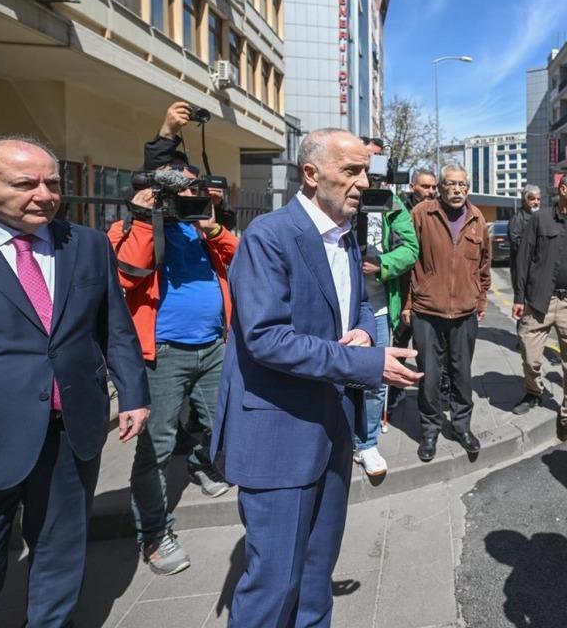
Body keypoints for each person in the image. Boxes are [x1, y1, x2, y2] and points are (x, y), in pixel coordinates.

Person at [0, 136, 150, 627]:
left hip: (71, 429)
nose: (45, 195)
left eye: (53, 182)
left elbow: (113, 325)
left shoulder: (86, 244)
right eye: (26, 183)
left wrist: (133, 393)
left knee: (60, 557)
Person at [212, 128, 422, 627]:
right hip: (279, 437)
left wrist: (367, 337)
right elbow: (265, 338)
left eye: (365, 171)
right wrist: (365, 363)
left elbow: (357, 314)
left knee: (314, 577)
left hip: (330, 429)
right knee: (273, 586)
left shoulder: (347, 236)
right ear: (311, 174)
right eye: (351, 171)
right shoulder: (269, 236)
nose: (362, 182)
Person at [108, 146, 237, 576]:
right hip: (162, 353)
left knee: (223, 420)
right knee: (156, 447)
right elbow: (126, 273)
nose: (183, 194)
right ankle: (154, 534)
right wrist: (146, 218)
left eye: (189, 184)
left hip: (213, 345)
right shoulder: (131, 226)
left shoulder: (201, 226)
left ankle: (201, 465)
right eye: (173, 186)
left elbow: (242, 262)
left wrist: (212, 226)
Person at [408, 164, 491, 462]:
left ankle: (461, 427)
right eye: (451, 184)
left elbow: (484, 266)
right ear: (441, 187)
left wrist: (480, 302)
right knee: (429, 376)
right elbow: (409, 261)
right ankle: (429, 430)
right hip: (427, 310)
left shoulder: (477, 218)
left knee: (462, 375)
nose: (457, 190)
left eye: (462, 185)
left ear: (468, 188)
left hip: (465, 313)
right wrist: (407, 305)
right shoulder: (422, 214)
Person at [512, 172, 567, 444]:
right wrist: (518, 297)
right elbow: (523, 259)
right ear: (563, 190)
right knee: (530, 354)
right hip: (540, 300)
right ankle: (534, 391)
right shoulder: (540, 219)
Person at [354, 137, 420, 480]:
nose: (371, 169)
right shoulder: (341, 197)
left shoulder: (394, 204)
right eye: (365, 160)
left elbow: (411, 248)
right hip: (340, 308)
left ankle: (366, 443)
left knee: (374, 380)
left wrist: (382, 265)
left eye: (377, 162)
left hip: (379, 307)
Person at [507, 184, 541, 293]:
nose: (536, 202)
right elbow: (517, 244)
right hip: (524, 270)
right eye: (532, 199)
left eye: (538, 199)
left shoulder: (539, 217)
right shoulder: (517, 219)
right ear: (524, 200)